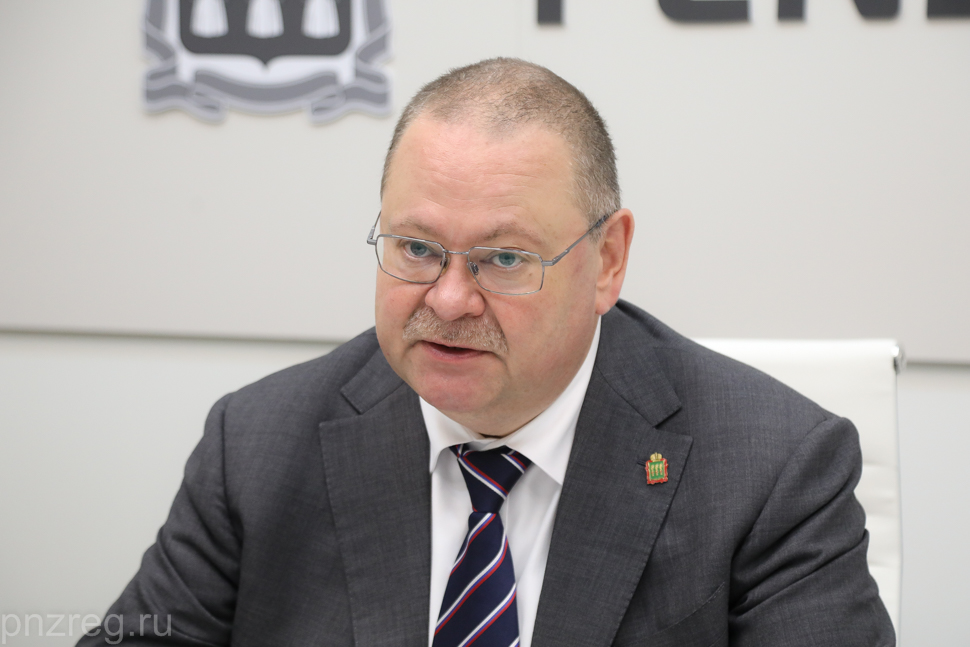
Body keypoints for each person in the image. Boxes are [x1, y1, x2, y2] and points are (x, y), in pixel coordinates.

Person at [78, 58, 895, 647]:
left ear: (607, 261)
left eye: (503, 259)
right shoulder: (256, 444)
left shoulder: (773, 470)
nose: (447, 299)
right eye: (416, 247)